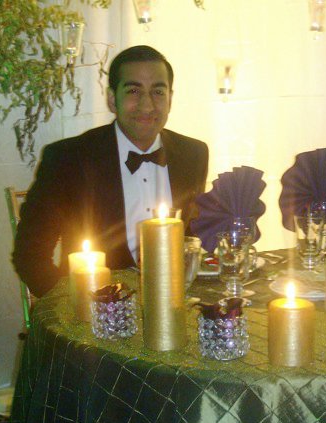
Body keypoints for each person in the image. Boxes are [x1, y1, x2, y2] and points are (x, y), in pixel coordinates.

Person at [13, 45, 209, 297]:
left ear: (170, 98)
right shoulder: (68, 159)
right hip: (93, 309)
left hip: (175, 303)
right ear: (111, 98)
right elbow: (30, 255)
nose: (147, 105)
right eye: (133, 91)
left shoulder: (193, 154)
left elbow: (192, 240)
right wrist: (71, 306)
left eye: (158, 92)